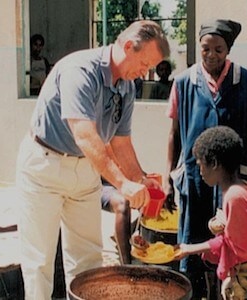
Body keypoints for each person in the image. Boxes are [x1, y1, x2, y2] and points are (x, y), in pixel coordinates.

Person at [16, 20, 170, 299]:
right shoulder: (80, 70)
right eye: (145, 63)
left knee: (88, 261)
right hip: (45, 167)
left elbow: (121, 142)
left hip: (85, 171)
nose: (146, 72)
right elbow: (85, 136)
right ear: (127, 47)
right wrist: (123, 183)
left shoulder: (128, 86)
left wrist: (140, 179)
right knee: (40, 262)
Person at [163, 19, 247, 298]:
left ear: (228, 50)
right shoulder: (183, 82)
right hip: (196, 176)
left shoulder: (246, 81)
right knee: (194, 240)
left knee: (235, 244)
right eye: (206, 49)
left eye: (219, 49)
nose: (212, 55)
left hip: (234, 179)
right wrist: (168, 178)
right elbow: (174, 134)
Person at [173, 126, 247, 299]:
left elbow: (243, 250)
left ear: (215, 164)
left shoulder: (234, 197)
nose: (199, 172)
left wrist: (190, 249)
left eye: (200, 165)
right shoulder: (241, 187)